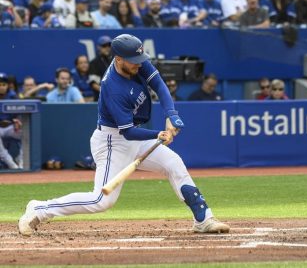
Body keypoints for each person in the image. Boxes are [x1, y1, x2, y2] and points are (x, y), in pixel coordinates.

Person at [18, 34, 230, 236]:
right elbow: (128, 132)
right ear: (118, 60)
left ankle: (203, 220)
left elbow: (158, 84)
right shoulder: (112, 87)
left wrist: (171, 114)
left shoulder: (133, 59)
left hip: (134, 137)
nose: (139, 64)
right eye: (134, 61)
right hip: (113, 141)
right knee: (101, 201)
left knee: (173, 163)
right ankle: (40, 209)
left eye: (140, 59)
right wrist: (159, 134)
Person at [0, 73, 22, 169]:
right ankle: (10, 163)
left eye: (3, 85)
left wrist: (17, 120)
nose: (1, 87)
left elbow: (21, 112)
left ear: (8, 85)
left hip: (11, 127)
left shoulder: (13, 96)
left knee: (27, 133)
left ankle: (21, 161)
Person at [89, 35, 113, 100]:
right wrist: (107, 92)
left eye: (109, 45)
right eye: (104, 46)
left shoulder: (115, 60)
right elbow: (93, 83)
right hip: (101, 98)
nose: (107, 48)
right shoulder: (94, 63)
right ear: (98, 47)